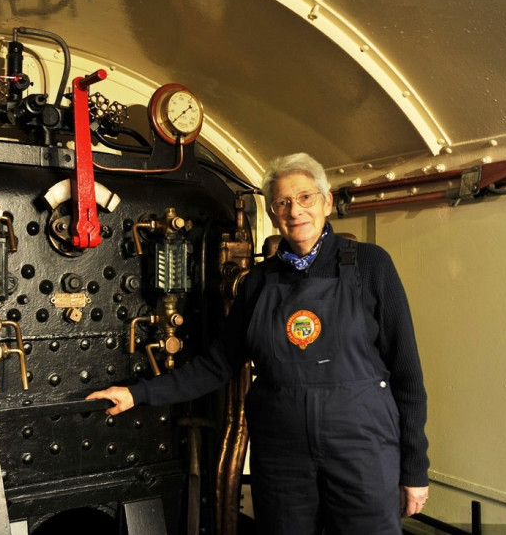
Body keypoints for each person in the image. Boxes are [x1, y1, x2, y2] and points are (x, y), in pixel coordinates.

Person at [87, 153, 429, 534]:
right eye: (283, 202)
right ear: (272, 212)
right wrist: (138, 394)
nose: (295, 211)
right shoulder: (259, 282)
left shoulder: (371, 265)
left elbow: (407, 375)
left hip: (362, 450)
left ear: (327, 201)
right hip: (283, 457)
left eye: (305, 198)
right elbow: (217, 364)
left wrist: (415, 469)